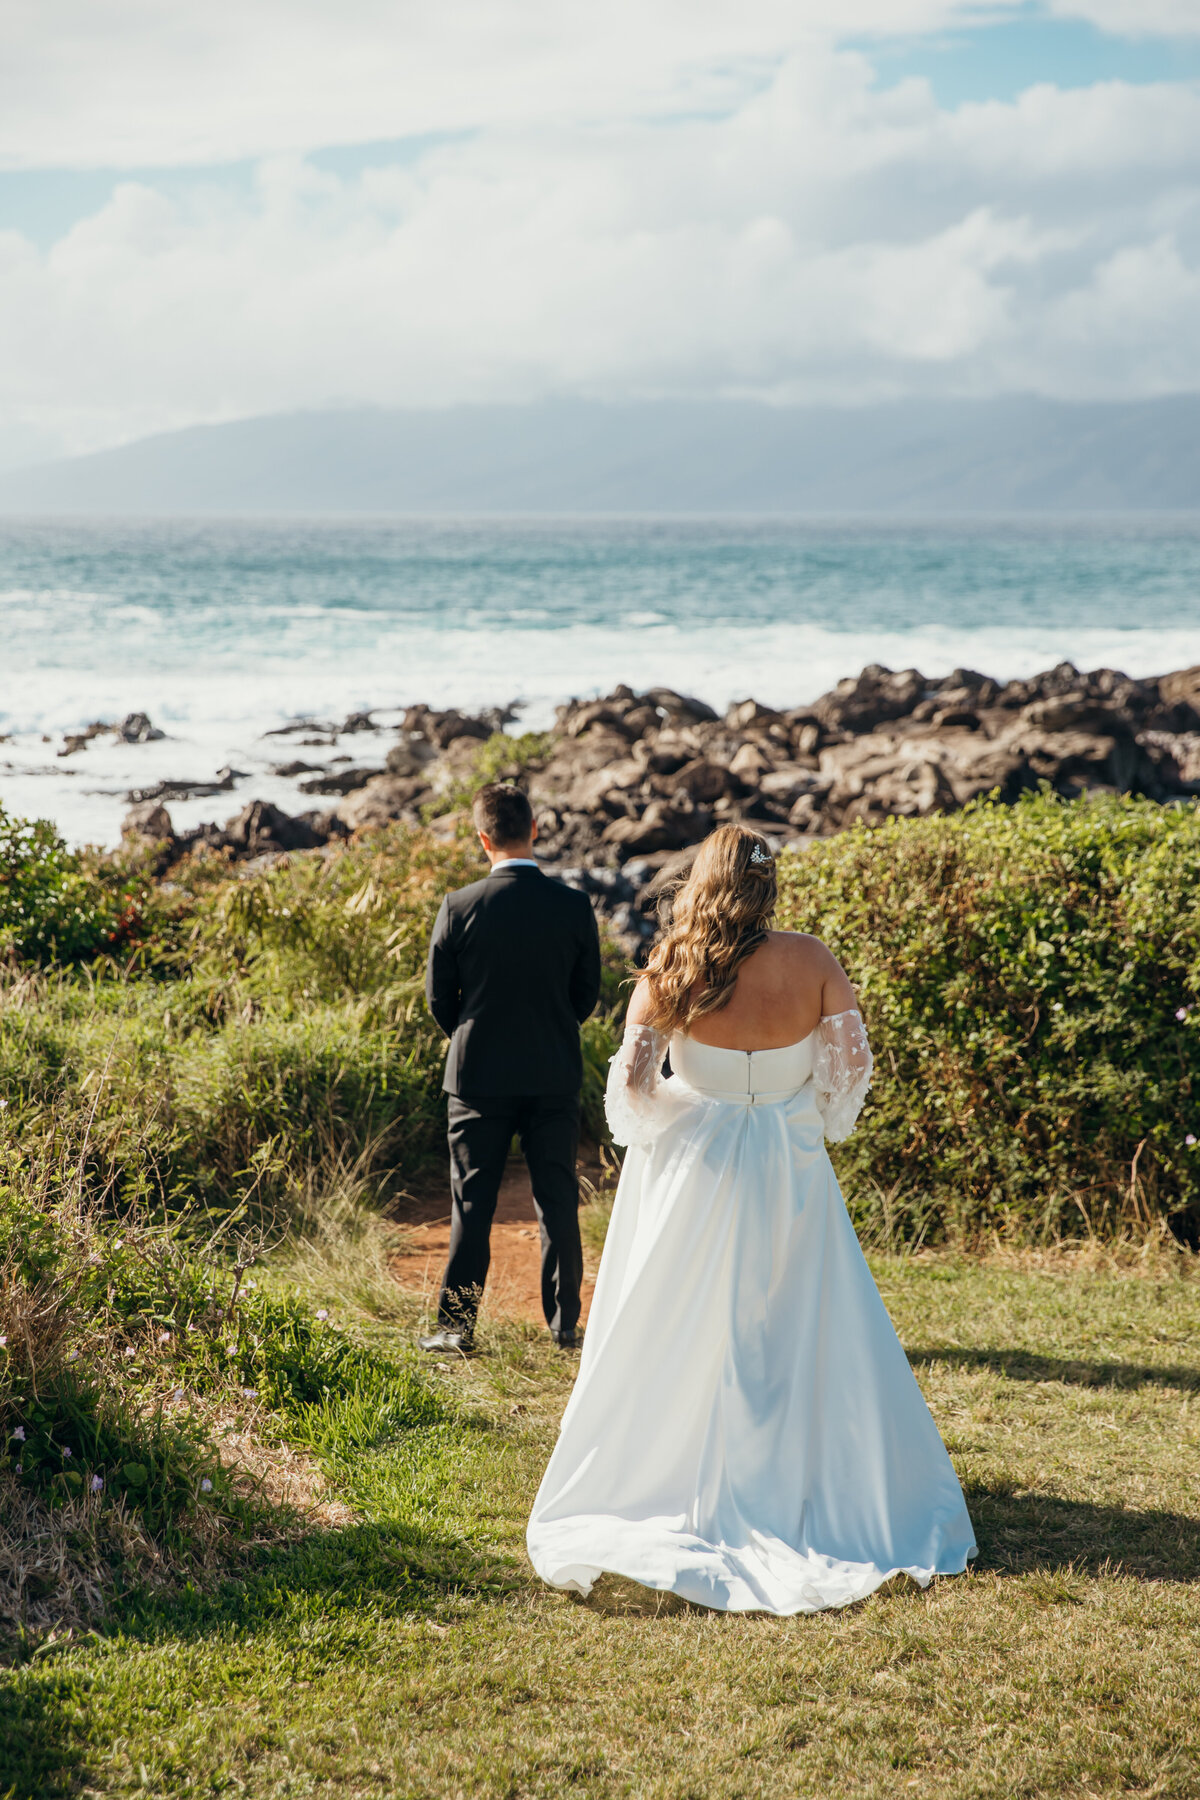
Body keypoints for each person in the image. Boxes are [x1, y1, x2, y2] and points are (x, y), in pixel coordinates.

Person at [527, 823, 976, 1615]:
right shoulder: (813, 962)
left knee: (684, 1325)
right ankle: (800, 1476)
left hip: (696, 1171)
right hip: (788, 1168)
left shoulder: (672, 964)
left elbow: (629, 1092)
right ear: (770, 885)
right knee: (797, 1319)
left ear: (703, 881)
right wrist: (802, 1114)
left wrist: (687, 1110)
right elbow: (849, 1075)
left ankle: (691, 1473)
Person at [422, 783, 602, 1353]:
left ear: (483, 839)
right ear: (536, 831)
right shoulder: (573, 906)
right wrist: (548, 1029)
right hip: (552, 1073)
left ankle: (456, 1329)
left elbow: (438, 1000)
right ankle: (564, 1326)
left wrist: (474, 1036)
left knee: (472, 1204)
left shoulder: (458, 905)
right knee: (557, 1200)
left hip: (477, 1079)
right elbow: (586, 995)